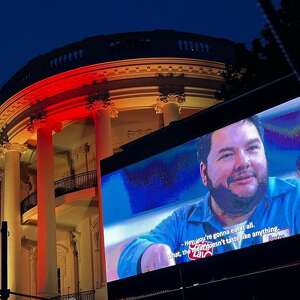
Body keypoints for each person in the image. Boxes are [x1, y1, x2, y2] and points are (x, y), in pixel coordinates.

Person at [118, 116, 300, 278]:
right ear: (204, 173)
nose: (243, 162)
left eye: (252, 148)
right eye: (227, 155)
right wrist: (148, 254)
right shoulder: (183, 221)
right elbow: (128, 257)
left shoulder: (295, 197)